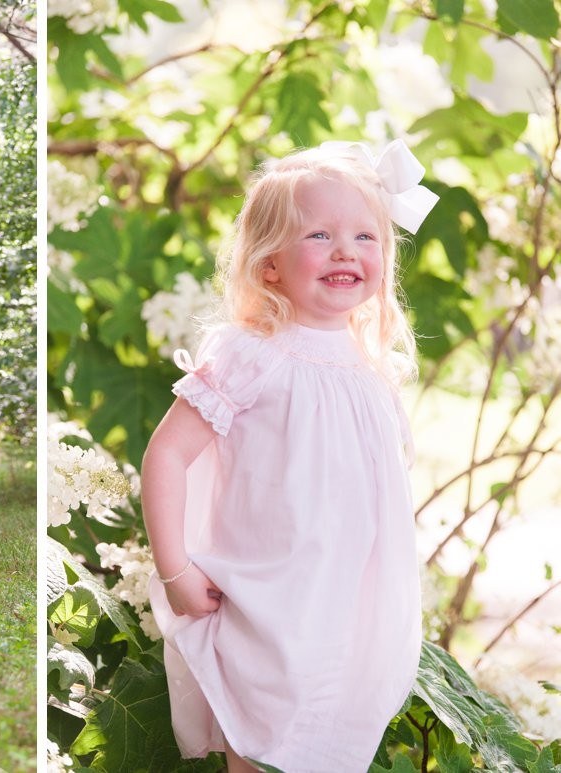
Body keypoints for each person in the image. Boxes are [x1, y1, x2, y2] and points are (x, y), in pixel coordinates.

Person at [141, 140, 439, 772]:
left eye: (365, 236)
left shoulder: (369, 366)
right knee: (261, 742)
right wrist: (176, 573)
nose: (345, 252)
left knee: (332, 742)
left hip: (348, 607)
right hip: (268, 604)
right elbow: (167, 456)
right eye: (320, 235)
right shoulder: (252, 355)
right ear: (270, 264)